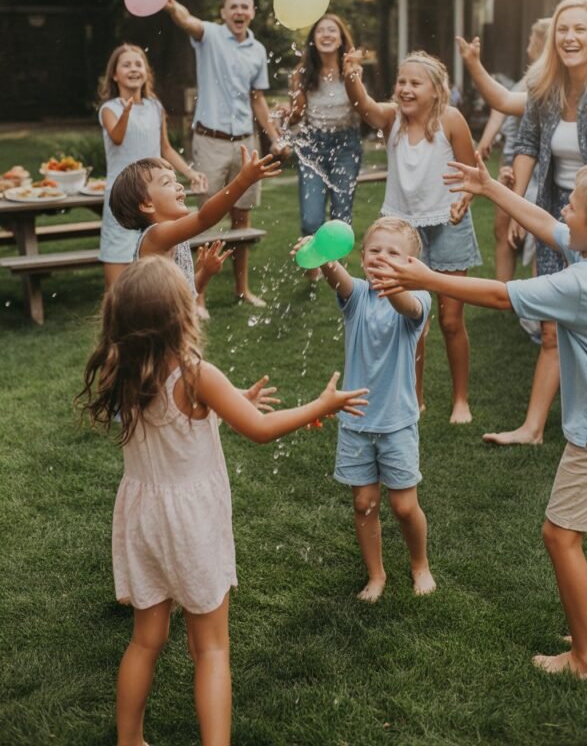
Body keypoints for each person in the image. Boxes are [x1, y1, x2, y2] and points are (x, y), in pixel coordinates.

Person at [76, 255, 368, 746]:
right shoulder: (195, 375)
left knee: (146, 639)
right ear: (181, 317)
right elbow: (258, 432)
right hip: (190, 522)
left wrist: (234, 399)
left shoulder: (123, 368)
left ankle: (129, 740)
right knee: (210, 649)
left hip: (143, 517)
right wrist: (321, 405)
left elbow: (192, 418)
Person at [371, 154, 587, 681]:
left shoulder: (584, 285)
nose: (564, 209)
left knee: (560, 534)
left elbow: (499, 294)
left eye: (575, 206)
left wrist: (427, 277)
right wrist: (491, 187)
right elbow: (548, 225)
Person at [458, 0, 587, 445]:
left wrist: (582, 233)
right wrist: (517, 204)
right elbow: (528, 146)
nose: (570, 38)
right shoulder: (546, 87)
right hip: (560, 209)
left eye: (580, 29)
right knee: (551, 329)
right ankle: (533, 428)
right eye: (563, 29)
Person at [296, 216, 433, 602]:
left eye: (393, 253)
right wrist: (322, 254)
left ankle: (419, 563)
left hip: (396, 422)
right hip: (356, 421)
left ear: (410, 265)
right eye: (374, 251)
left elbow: (406, 306)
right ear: (361, 257)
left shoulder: (418, 298)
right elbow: (336, 277)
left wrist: (395, 283)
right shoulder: (356, 297)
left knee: (405, 507)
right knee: (364, 503)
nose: (381, 258)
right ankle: (376, 575)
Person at [343, 48, 481, 423]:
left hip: (448, 226)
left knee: (452, 320)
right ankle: (414, 398)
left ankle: (461, 400)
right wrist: (352, 75)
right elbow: (364, 105)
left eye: (414, 83)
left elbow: (472, 174)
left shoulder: (451, 120)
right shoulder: (392, 119)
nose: (405, 89)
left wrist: (463, 201)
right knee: (411, 322)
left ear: (436, 90)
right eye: (401, 82)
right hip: (402, 233)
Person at [165, 0, 285, 308]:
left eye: (245, 6)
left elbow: (257, 99)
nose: (239, 12)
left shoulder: (258, 50)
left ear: (252, 13)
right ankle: (198, 296)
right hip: (210, 141)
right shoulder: (211, 36)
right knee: (206, 217)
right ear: (223, 12)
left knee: (242, 219)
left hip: (246, 142)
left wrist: (273, 136)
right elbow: (187, 21)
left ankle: (242, 289)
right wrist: (172, 5)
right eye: (233, 7)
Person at [97, 43, 208, 289]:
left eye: (139, 64)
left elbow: (166, 149)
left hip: (155, 197)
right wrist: (126, 111)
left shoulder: (155, 107)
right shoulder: (109, 109)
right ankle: (117, 308)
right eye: (126, 65)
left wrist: (189, 172)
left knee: (160, 259)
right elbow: (117, 137)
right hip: (123, 197)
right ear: (115, 74)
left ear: (146, 72)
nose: (133, 69)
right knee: (118, 255)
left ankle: (167, 304)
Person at [109, 147, 280, 304]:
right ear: (147, 204)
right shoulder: (156, 236)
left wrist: (205, 273)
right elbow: (204, 219)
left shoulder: (173, 239)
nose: (178, 186)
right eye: (167, 182)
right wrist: (242, 181)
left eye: (176, 180)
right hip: (159, 331)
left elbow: (188, 292)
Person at [474, 19, 551, 288]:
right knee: (503, 229)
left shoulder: (542, 78)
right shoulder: (529, 76)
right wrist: (488, 139)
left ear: (541, 43)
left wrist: (485, 139)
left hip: (531, 165)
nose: (528, 45)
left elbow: (502, 104)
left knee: (529, 232)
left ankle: (532, 298)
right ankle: (503, 292)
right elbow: (503, 103)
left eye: (532, 40)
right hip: (512, 160)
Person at [287, 14, 363, 280]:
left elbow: (361, 107)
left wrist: (352, 73)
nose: (327, 35)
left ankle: (335, 272)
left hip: (346, 144)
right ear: (313, 39)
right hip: (312, 145)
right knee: (311, 218)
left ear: (341, 38)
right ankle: (312, 265)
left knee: (341, 214)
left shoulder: (351, 71)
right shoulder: (302, 73)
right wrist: (289, 111)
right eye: (321, 31)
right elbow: (296, 116)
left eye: (333, 30)